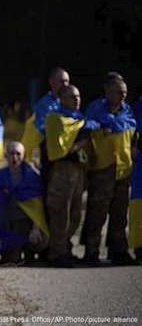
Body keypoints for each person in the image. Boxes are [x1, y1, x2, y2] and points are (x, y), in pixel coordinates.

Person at [83, 76, 138, 265]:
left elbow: (131, 130)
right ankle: (91, 253)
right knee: (97, 213)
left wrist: (111, 124)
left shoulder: (128, 110)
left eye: (124, 92)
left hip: (123, 170)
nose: (122, 95)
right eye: (118, 91)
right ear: (107, 91)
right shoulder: (96, 108)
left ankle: (118, 252)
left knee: (120, 213)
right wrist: (103, 125)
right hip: (101, 168)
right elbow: (87, 127)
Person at [43, 84, 89, 266]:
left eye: (78, 96)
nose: (77, 100)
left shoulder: (80, 118)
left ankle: (66, 248)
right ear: (61, 99)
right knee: (60, 212)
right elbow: (57, 149)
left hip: (78, 170)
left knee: (75, 213)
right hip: (61, 170)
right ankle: (56, 253)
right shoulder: (55, 118)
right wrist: (80, 142)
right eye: (72, 97)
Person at [0, 142, 49, 264]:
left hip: (27, 223)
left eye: (18, 154)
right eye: (11, 154)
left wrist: (36, 228)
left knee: (39, 245)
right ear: (6, 156)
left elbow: (38, 205)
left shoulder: (32, 177)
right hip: (7, 224)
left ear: (24, 155)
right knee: (11, 260)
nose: (15, 157)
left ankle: (30, 250)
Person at [21, 68, 70, 162]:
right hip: (50, 150)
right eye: (61, 81)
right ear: (52, 82)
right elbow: (42, 127)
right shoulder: (44, 104)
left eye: (67, 81)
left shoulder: (72, 101)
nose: (65, 85)